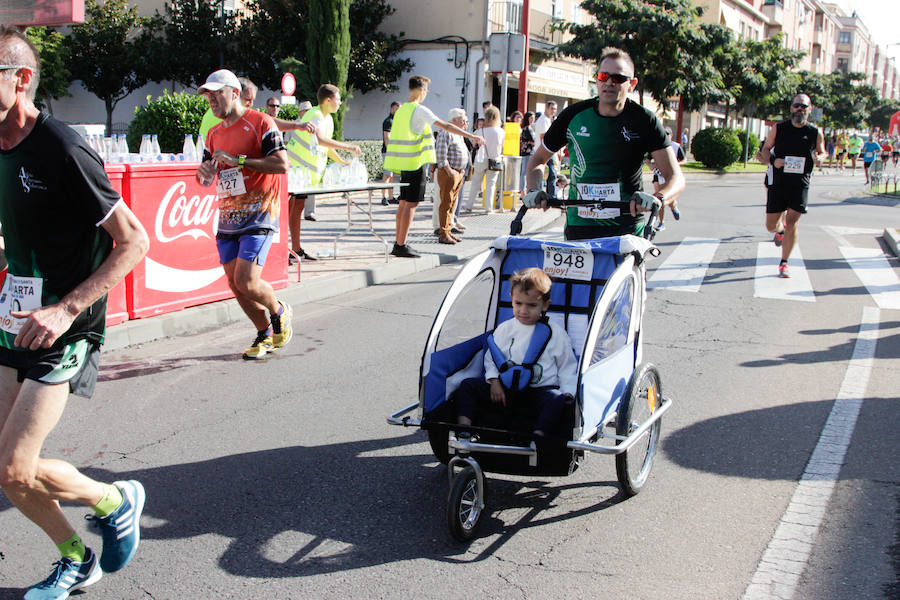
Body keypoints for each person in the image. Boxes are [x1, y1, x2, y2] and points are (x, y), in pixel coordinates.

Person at [0, 26, 151, 598]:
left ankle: (115, 500)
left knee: (16, 467)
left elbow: (135, 240)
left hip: (65, 325)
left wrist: (66, 310)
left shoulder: (62, 148)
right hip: (14, 317)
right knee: (6, 469)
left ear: (21, 79)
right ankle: (74, 556)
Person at [524, 47, 685, 240]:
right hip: (580, 226)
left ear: (631, 84)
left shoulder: (644, 120)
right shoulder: (574, 116)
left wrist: (658, 198)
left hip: (627, 228)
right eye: (603, 76)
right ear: (597, 79)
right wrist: (534, 190)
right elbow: (538, 160)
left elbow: (676, 177)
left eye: (618, 78)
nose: (609, 82)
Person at [195, 68, 294, 359]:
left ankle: (279, 310)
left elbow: (281, 164)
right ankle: (264, 332)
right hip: (228, 217)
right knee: (234, 285)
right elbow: (205, 177)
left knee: (247, 281)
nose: (211, 100)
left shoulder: (261, 122)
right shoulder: (213, 134)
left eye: (217, 94)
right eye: (207, 96)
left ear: (235, 93)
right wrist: (203, 173)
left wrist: (238, 159)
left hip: (260, 213)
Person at [454, 268, 577, 439]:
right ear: (511, 298)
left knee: (556, 399)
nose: (523, 311)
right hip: (505, 390)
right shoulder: (505, 329)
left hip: (538, 392)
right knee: (468, 385)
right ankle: (463, 429)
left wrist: (568, 393)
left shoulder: (556, 334)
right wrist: (494, 381)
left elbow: (567, 366)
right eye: (518, 303)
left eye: (532, 305)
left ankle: (538, 436)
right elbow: (492, 358)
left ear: (545, 305)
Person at [383, 75, 484, 258]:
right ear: (422, 90)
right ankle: (401, 244)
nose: (426, 94)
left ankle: (398, 242)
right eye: (427, 90)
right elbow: (445, 125)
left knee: (404, 203)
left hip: (404, 164)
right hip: (416, 163)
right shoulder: (419, 110)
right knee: (411, 205)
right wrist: (471, 136)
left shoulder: (401, 110)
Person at [284, 85, 361, 262]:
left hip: (304, 177)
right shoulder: (316, 115)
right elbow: (320, 139)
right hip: (294, 173)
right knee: (288, 213)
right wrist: (349, 147)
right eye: (338, 99)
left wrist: (341, 160)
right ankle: (284, 251)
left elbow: (324, 146)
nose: (340, 103)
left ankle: (296, 249)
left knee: (297, 211)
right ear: (328, 100)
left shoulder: (328, 119)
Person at [759, 93, 826, 278]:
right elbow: (764, 150)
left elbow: (823, 152)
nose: (800, 109)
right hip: (779, 182)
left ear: (809, 110)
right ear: (791, 108)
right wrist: (774, 160)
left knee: (793, 221)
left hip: (800, 182)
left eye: (803, 106)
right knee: (771, 225)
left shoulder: (815, 132)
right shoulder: (779, 129)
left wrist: (820, 158)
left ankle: (784, 262)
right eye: (797, 106)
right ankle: (779, 231)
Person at [433, 108, 470, 244]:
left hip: (458, 172)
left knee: (452, 204)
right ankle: (443, 232)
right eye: (463, 120)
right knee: (446, 203)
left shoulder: (457, 134)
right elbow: (441, 155)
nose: (466, 123)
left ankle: (448, 230)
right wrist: (449, 170)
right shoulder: (446, 132)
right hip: (450, 173)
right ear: (455, 120)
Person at [463, 106, 505, 213]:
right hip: (494, 159)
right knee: (491, 184)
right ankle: (488, 208)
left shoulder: (480, 131)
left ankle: (469, 205)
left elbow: (474, 144)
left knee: (476, 183)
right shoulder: (501, 131)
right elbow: (502, 147)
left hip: (481, 159)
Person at [653, 127, 685, 231]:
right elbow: (648, 160)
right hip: (658, 175)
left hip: (669, 175)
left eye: (667, 134)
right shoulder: (656, 145)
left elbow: (684, 160)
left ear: (671, 136)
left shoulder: (676, 147)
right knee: (659, 198)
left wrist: (676, 165)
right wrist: (651, 165)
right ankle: (661, 222)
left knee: (667, 198)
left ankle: (674, 207)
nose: (665, 136)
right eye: (663, 134)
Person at [532, 100, 558, 196]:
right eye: (551, 108)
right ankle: (551, 196)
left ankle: (549, 195)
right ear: (546, 109)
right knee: (551, 175)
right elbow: (544, 137)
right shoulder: (544, 120)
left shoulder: (547, 120)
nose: (553, 111)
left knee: (549, 175)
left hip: (547, 151)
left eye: (555, 109)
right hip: (545, 152)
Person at [381, 101, 400, 205]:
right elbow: (386, 137)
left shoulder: (395, 121)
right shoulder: (388, 121)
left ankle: (391, 197)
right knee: (387, 175)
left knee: (392, 176)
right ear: (392, 109)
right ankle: (383, 197)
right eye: (397, 109)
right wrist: (390, 152)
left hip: (393, 152)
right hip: (388, 152)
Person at [519, 111, 536, 193]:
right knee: (525, 172)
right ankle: (523, 191)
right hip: (527, 153)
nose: (532, 120)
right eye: (531, 118)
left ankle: (524, 190)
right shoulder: (527, 129)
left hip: (528, 152)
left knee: (525, 172)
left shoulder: (527, 128)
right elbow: (532, 141)